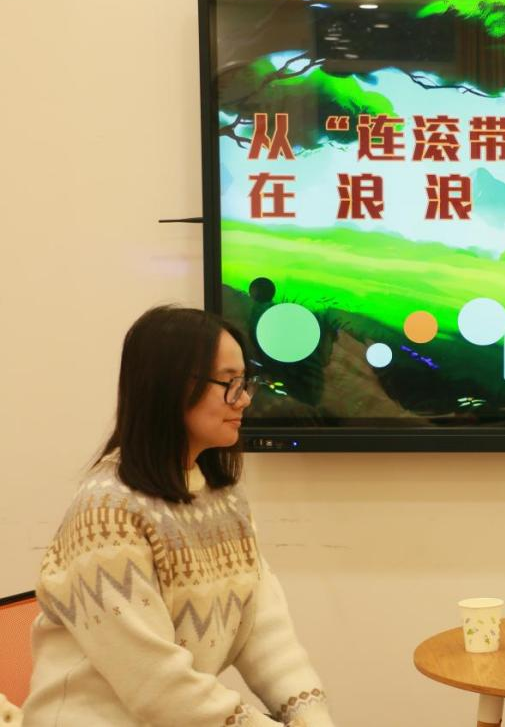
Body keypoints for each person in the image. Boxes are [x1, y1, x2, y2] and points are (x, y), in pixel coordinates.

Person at [22, 306, 335, 726]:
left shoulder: (223, 498)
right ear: (169, 386)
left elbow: (265, 631)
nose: (244, 399)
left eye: (245, 382)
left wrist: (311, 718)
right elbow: (157, 685)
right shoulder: (107, 511)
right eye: (228, 383)